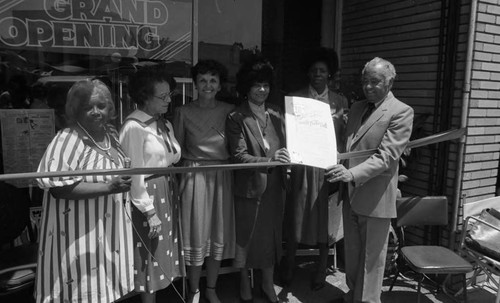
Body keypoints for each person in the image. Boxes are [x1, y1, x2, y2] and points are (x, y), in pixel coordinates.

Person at [35, 79, 134, 303]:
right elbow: (58, 189)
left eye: (101, 106)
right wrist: (109, 187)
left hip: (109, 231)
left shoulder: (111, 136)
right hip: (76, 234)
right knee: (80, 290)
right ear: (75, 110)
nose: (95, 112)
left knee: (104, 289)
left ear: (110, 108)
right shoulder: (68, 139)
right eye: (87, 107)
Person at [325, 57, 414, 303]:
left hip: (375, 198)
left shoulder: (401, 112)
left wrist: (351, 174)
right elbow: (348, 145)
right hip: (350, 193)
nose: (368, 87)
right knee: (352, 256)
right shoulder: (356, 108)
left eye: (375, 82)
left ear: (390, 82)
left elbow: (387, 157)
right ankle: (352, 295)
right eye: (365, 81)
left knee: (372, 261)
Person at [283, 47, 349, 290]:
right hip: (302, 168)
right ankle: (288, 265)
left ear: (329, 73)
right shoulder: (295, 98)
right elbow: (288, 134)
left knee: (326, 222)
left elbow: (344, 136)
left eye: (322, 70)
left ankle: (321, 269)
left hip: (328, 169)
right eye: (313, 70)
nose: (317, 74)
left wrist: (340, 159)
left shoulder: (340, 101)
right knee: (296, 218)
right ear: (308, 73)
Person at [226, 57, 290, 303]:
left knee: (271, 238)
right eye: (256, 85)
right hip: (249, 188)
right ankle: (244, 283)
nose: (262, 90)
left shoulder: (276, 112)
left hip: (275, 187)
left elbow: (289, 144)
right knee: (247, 238)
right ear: (246, 87)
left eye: (265, 85)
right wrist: (272, 160)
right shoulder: (235, 117)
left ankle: (266, 284)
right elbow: (239, 156)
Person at [119, 65, 185, 303]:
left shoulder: (164, 124)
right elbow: (134, 173)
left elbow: (173, 156)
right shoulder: (134, 127)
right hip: (148, 194)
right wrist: (148, 210)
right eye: (163, 96)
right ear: (144, 96)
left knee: (161, 249)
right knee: (149, 251)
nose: (169, 100)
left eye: (170, 95)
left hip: (166, 188)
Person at [173, 59, 236, 303]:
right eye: (203, 80)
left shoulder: (230, 111)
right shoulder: (182, 112)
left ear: (220, 85)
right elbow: (176, 154)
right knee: (196, 234)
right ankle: (194, 288)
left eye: (213, 80)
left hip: (221, 176)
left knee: (216, 232)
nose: (207, 85)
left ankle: (211, 287)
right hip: (194, 176)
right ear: (195, 84)